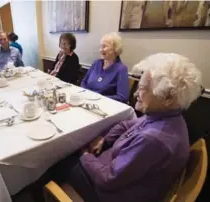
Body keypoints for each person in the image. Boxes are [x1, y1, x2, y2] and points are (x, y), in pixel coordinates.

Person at [33, 53, 202, 202]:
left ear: (168, 98)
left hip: (110, 193)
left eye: (143, 88)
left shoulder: (154, 139)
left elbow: (108, 178)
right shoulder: (165, 116)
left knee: (54, 160)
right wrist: (105, 140)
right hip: (112, 170)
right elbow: (125, 124)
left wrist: (84, 153)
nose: (136, 93)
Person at [81, 32, 129, 103]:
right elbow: (83, 82)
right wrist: (86, 94)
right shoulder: (96, 63)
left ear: (115, 49)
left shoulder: (121, 69)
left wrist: (98, 98)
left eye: (104, 47)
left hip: (104, 105)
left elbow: (123, 97)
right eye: (100, 47)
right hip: (86, 101)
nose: (100, 50)